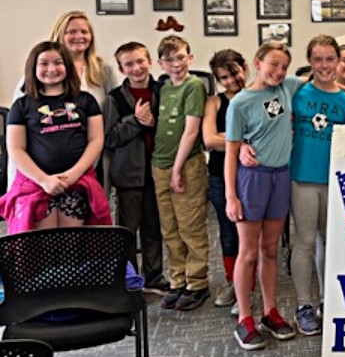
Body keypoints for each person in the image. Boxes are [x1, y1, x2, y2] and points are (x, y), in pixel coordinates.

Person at [225, 41, 301, 351]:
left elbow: (321, 81)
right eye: (273, 65)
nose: (279, 72)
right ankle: (245, 318)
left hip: (280, 177)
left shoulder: (287, 87)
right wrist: (231, 195)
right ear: (258, 63)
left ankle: (270, 311)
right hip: (252, 180)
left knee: (270, 249)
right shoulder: (240, 103)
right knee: (249, 252)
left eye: (284, 67)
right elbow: (231, 151)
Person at [0, 41, 111, 233]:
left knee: (70, 245)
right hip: (37, 185)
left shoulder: (86, 100)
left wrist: (73, 175)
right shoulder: (22, 105)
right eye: (44, 63)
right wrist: (44, 180)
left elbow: (96, 140)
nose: (51, 69)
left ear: (67, 66)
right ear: (33, 68)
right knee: (45, 246)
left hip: (77, 184)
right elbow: (16, 149)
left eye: (58, 62)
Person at [291, 36, 345, 336]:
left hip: (334, 179)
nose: (324, 65)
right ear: (309, 61)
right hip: (303, 178)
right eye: (317, 59)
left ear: (338, 60)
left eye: (330, 59)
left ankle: (330, 300)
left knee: (330, 243)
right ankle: (304, 304)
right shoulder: (296, 92)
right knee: (304, 242)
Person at [8, 11, 119, 191]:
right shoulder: (38, 72)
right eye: (72, 32)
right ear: (60, 34)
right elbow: (20, 121)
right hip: (41, 169)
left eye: (84, 32)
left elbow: (114, 108)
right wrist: (40, 177)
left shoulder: (103, 69)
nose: (79, 37)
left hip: (89, 161)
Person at [103, 41, 167, 294]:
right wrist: (136, 121)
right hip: (129, 175)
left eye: (141, 61)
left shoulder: (163, 91)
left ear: (150, 61)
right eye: (129, 64)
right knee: (129, 230)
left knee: (154, 227)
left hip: (157, 170)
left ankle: (154, 275)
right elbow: (110, 137)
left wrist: (153, 122)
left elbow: (173, 128)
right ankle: (130, 278)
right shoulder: (115, 99)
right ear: (121, 68)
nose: (137, 67)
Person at [152, 34, 210, 312]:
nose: (176, 63)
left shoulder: (194, 85)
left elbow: (191, 131)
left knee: (191, 225)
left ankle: (197, 282)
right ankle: (178, 278)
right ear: (161, 63)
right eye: (169, 59)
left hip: (185, 165)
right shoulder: (164, 88)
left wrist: (177, 169)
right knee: (170, 228)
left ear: (190, 57)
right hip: (159, 164)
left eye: (181, 57)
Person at [203, 49, 248, 311]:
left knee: (253, 234)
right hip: (221, 176)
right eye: (223, 78)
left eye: (234, 74)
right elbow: (208, 140)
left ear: (244, 66)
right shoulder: (215, 102)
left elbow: (263, 138)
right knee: (229, 232)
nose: (230, 81)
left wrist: (227, 139)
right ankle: (233, 283)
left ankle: (250, 284)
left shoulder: (256, 95)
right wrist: (241, 142)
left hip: (253, 175)